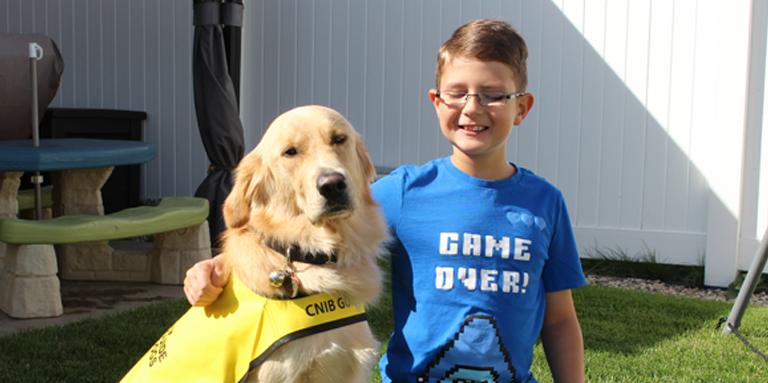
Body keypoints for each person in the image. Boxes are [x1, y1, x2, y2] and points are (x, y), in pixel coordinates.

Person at [184, 19, 587, 383]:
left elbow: (560, 320)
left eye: (493, 95)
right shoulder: (404, 192)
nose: (472, 107)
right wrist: (220, 265)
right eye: (457, 93)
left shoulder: (545, 203)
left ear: (522, 107)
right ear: (436, 101)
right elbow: (303, 234)